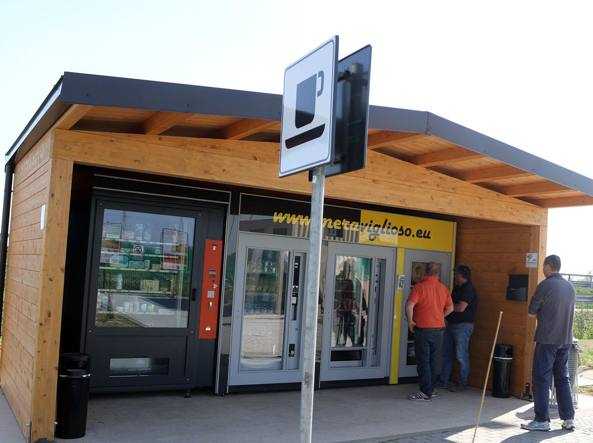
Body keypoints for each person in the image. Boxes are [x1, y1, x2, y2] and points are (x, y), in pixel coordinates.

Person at [521, 255, 576, 432]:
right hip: (566, 339)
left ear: (548, 266)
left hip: (547, 339)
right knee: (562, 378)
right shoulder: (570, 286)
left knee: (542, 378)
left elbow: (531, 312)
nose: (542, 269)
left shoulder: (545, 285)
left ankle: (542, 420)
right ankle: (568, 419)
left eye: (544, 266)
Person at [406, 262, 454, 401]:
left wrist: (410, 321)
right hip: (439, 330)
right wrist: (439, 316)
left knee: (423, 361)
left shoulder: (419, 287)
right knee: (435, 361)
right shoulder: (443, 288)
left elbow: (410, 305)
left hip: (423, 329)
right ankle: (431, 389)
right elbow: (450, 308)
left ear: (425, 272)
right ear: (438, 273)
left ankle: (425, 391)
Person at [438, 265, 478, 391]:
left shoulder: (469, 289)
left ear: (461, 275)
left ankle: (462, 383)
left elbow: (461, 308)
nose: (454, 276)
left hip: (463, 326)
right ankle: (443, 380)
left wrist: (447, 308)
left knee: (461, 355)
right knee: (446, 354)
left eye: (456, 274)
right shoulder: (457, 287)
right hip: (451, 324)